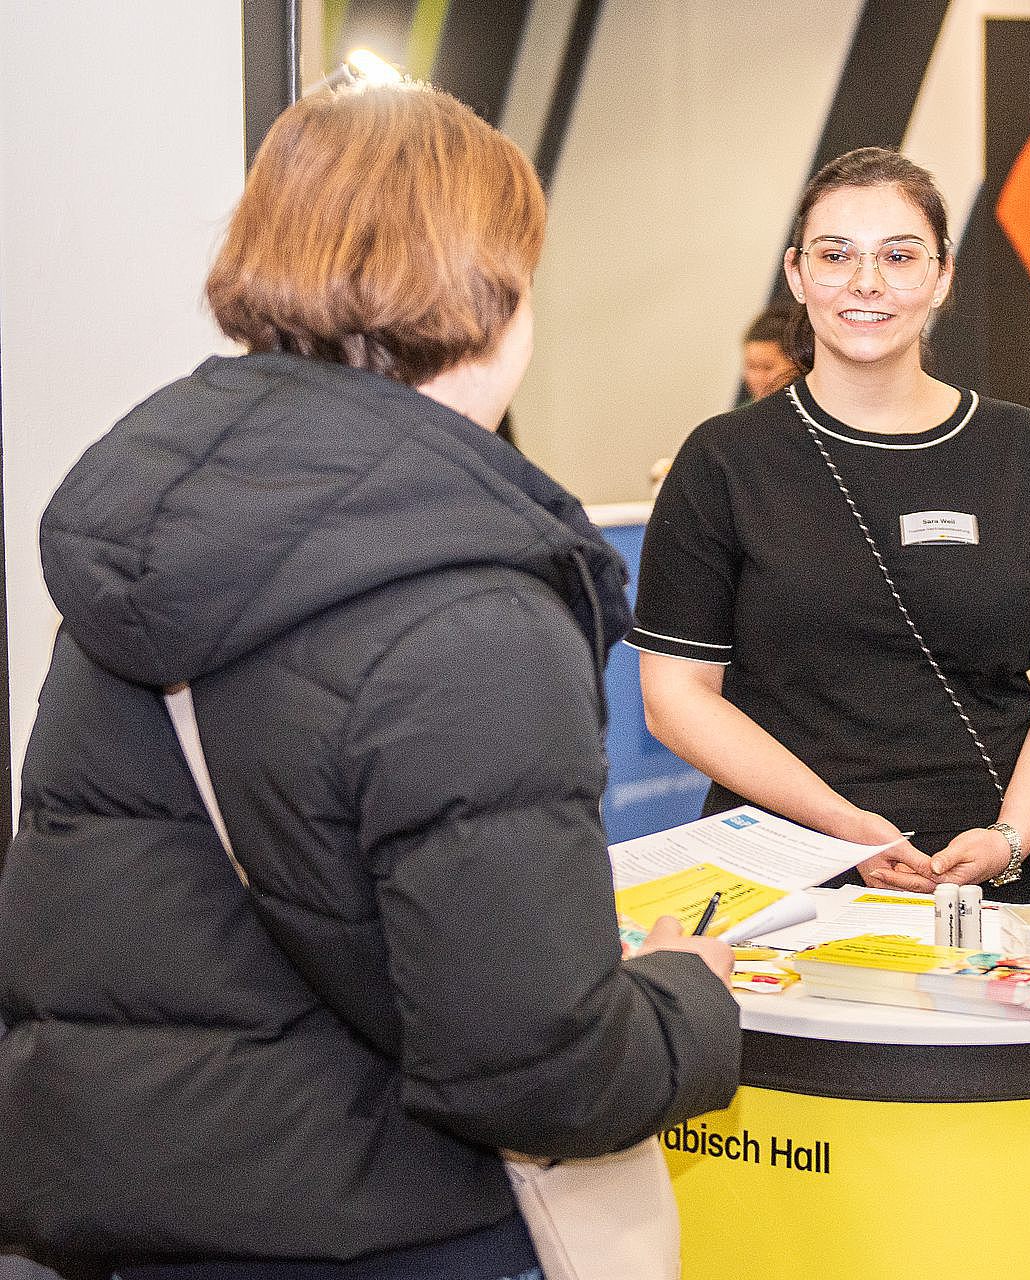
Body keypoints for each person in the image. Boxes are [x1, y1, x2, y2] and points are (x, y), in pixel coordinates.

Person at [0, 81, 740, 1274]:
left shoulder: (149, 539)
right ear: (490, 290)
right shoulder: (472, 608)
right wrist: (685, 1001)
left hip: (119, 1210)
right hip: (383, 1225)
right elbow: (539, 1067)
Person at [634, 147, 1030, 898]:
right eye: (836, 255)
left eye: (899, 256)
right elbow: (676, 697)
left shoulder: (1021, 450)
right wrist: (837, 821)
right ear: (798, 275)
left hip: (994, 873)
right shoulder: (724, 460)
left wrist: (1011, 835)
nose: (867, 282)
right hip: (786, 873)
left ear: (943, 275)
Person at [739, 303, 800, 402]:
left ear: (797, 364)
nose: (758, 378)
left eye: (767, 367)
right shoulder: (741, 415)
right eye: (751, 366)